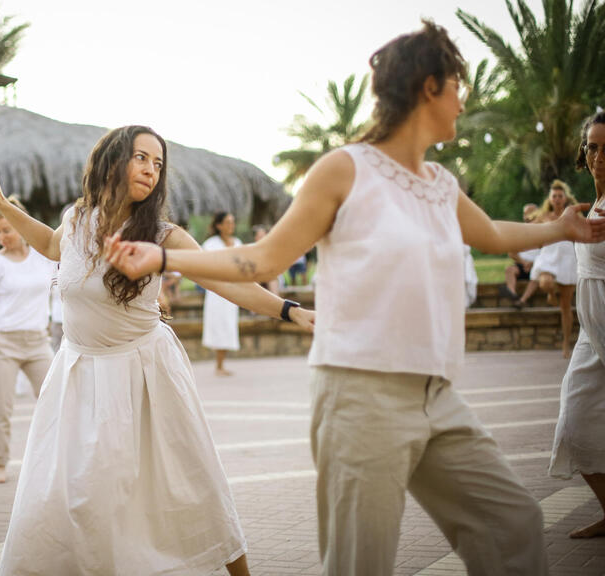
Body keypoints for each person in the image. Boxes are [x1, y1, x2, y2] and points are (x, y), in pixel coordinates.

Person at [105, 21, 605, 576]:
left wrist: (561, 229)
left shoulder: (438, 181)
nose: (464, 101)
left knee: (513, 527)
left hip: (436, 396)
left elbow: (493, 234)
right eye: (458, 87)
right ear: (428, 87)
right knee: (360, 565)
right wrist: (166, 257)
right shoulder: (344, 170)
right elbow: (265, 258)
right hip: (359, 396)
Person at [0, 126, 314, 576]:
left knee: (191, 483)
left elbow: (227, 281)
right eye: (141, 158)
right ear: (113, 160)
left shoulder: (164, 235)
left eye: (158, 163)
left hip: (144, 372)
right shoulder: (77, 219)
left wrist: (286, 310)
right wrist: (2, 205)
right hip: (78, 375)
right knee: (71, 493)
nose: (151, 170)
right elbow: (50, 245)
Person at [0, 196, 56, 484]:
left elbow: (64, 285)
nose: (3, 236)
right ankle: (0, 463)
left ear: (22, 226)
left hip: (37, 341)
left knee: (54, 400)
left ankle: (54, 458)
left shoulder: (45, 258)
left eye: (8, 229)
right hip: (1, 343)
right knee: (1, 407)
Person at [549, 110, 605, 538]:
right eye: (593, 147)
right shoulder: (588, 207)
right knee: (575, 419)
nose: (599, 157)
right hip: (592, 331)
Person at [530, 180, 580, 356]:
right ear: (550, 199)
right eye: (554, 196)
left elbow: (583, 231)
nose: (557, 199)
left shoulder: (572, 215)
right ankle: (551, 293)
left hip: (567, 257)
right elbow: (527, 230)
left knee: (565, 306)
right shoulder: (544, 217)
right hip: (548, 256)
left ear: (565, 198)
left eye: (560, 196)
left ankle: (566, 343)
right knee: (545, 283)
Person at [202, 211, 242, 375]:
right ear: (219, 225)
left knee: (228, 325)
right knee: (217, 325)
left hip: (234, 291)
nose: (231, 225)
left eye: (232, 222)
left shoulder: (238, 243)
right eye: (227, 222)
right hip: (216, 292)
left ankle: (221, 364)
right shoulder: (210, 244)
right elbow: (204, 266)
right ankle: (218, 365)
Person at [503, 203, 541, 308]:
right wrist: (524, 263)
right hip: (522, 265)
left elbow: (548, 254)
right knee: (509, 270)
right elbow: (511, 252)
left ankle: (522, 300)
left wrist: (533, 264)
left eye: (531, 213)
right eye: (525, 214)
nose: (528, 216)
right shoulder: (519, 232)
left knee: (537, 276)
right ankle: (513, 295)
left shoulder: (543, 231)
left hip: (537, 266)